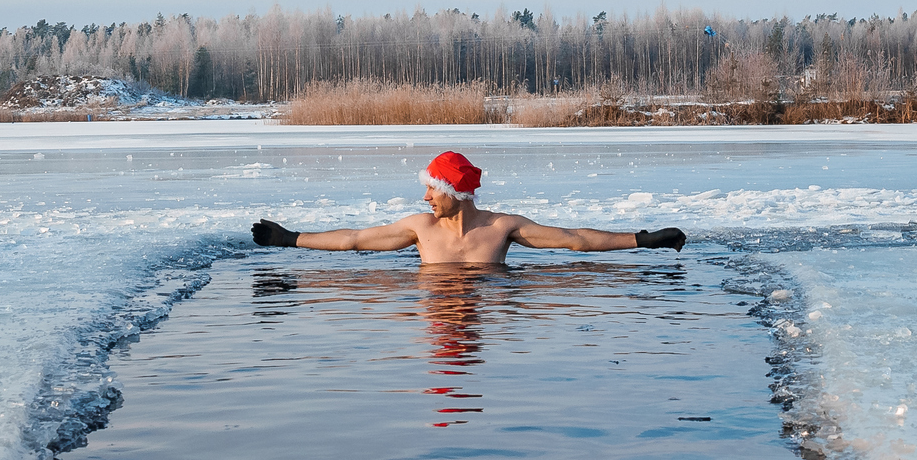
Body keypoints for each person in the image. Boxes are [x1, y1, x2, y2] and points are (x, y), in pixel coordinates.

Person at [251, 150, 686, 265]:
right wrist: (290, 239)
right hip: (434, 290)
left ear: (455, 193)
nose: (425, 198)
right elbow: (353, 241)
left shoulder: (501, 228)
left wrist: (642, 240)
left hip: (487, 293)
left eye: (432, 190)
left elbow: (573, 241)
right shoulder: (421, 229)